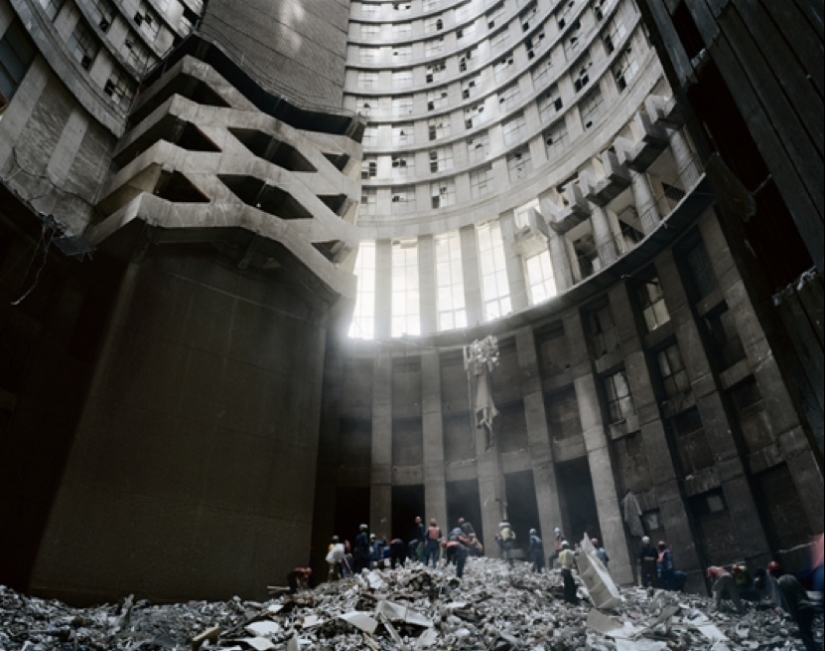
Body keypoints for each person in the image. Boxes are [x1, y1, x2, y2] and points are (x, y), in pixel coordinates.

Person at [777, 574, 819, 651]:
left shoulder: (780, 582)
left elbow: (789, 601)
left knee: (805, 636)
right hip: (809, 607)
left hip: (801, 609)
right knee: (808, 633)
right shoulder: (791, 577)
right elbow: (803, 591)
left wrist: (793, 616)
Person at [558, 541, 579, 605]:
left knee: (567, 585)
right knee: (572, 586)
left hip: (563, 570)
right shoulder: (568, 551)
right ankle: (572, 600)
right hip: (567, 570)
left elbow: (559, 562)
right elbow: (575, 554)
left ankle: (567, 599)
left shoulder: (560, 553)